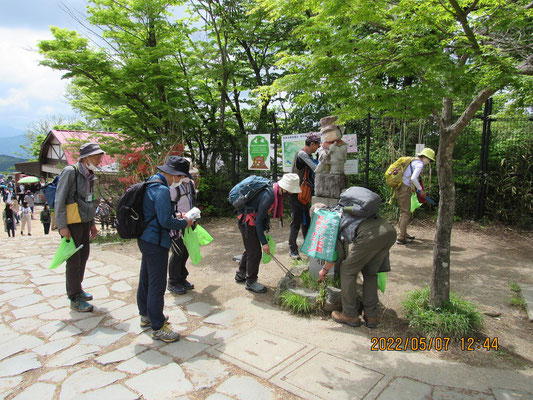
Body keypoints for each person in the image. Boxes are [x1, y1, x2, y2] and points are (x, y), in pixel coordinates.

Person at [318, 194, 396, 329]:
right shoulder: (344, 209)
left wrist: (324, 270)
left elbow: (336, 255)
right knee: (370, 272)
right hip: (388, 230)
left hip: (370, 236)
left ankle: (349, 314)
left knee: (347, 270)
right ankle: (371, 315)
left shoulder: (330, 221)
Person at [137, 156, 193, 342]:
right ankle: (158, 326)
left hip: (146, 238)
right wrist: (184, 222)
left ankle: (146, 315)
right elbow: (165, 221)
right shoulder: (161, 190)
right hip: (155, 241)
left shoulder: (151, 182)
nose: (182, 180)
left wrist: (177, 215)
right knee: (157, 283)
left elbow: (158, 214)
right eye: (181, 176)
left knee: (146, 278)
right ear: (175, 175)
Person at [55, 142, 105, 312]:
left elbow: (89, 201)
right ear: (86, 157)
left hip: (84, 221)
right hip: (72, 223)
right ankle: (74, 297)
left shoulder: (90, 174)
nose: (99, 160)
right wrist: (62, 226)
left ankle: (78, 289)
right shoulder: (71, 172)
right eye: (97, 156)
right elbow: (59, 199)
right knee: (74, 260)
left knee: (83, 256)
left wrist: (92, 223)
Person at [235, 173, 301, 293]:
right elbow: (259, 221)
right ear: (283, 188)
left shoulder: (273, 190)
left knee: (250, 249)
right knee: (255, 253)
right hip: (248, 222)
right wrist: (264, 243)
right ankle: (250, 282)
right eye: (290, 191)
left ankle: (241, 274)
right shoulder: (269, 195)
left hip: (248, 220)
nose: (290, 194)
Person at [289, 132, 321, 260]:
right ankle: (293, 250)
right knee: (296, 222)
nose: (317, 148)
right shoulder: (302, 154)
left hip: (304, 193)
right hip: (296, 192)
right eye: (317, 146)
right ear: (311, 144)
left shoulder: (308, 154)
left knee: (306, 221)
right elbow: (316, 168)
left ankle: (308, 248)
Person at [167, 169, 198, 295]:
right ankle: (173, 282)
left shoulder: (190, 183)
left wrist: (194, 218)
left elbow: (193, 201)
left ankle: (182, 278)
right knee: (178, 252)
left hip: (189, 222)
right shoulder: (173, 187)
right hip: (176, 224)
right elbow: (168, 209)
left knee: (186, 252)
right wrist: (179, 217)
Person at [395, 147, 435, 245]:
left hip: (401, 187)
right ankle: (401, 237)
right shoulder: (419, 164)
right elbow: (413, 178)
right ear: (425, 157)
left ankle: (403, 233)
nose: (428, 162)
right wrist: (421, 190)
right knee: (406, 213)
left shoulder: (413, 161)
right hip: (404, 188)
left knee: (403, 212)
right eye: (429, 159)